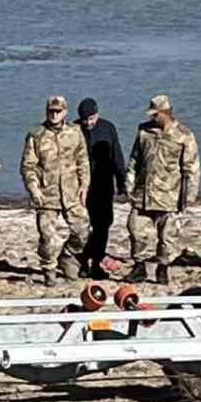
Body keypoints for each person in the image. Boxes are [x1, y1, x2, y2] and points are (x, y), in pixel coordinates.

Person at [125, 94, 200, 284]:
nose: (152, 118)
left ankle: (162, 268)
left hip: (169, 196)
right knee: (136, 230)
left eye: (155, 114)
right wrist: (129, 184)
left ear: (165, 113)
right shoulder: (144, 132)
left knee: (167, 238)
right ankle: (139, 267)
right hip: (143, 194)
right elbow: (134, 160)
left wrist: (189, 196)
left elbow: (191, 169)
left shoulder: (184, 135)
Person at [20, 95, 90, 285]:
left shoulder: (75, 133)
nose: (54, 115)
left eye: (58, 111)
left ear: (65, 112)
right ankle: (49, 269)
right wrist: (33, 188)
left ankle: (67, 256)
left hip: (71, 193)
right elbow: (28, 166)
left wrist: (84, 186)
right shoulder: (37, 135)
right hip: (46, 194)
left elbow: (83, 161)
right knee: (48, 238)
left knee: (82, 231)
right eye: (51, 111)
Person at [77, 97, 126, 278]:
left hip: (104, 184)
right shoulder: (75, 129)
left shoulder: (108, 128)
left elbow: (117, 156)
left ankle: (96, 262)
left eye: (90, 119)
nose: (87, 123)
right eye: (84, 120)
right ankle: (82, 262)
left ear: (97, 115)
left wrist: (121, 181)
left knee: (103, 225)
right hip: (81, 187)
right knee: (83, 226)